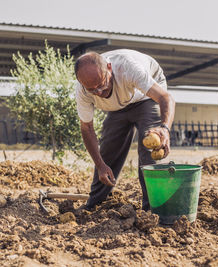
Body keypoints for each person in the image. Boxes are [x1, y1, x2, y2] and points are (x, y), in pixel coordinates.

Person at [74, 49, 175, 211]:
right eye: (92, 90)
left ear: (109, 67)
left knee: (150, 149)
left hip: (146, 97)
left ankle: (153, 210)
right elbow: (87, 128)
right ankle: (95, 205)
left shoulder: (128, 68)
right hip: (119, 105)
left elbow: (165, 98)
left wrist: (164, 128)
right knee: (107, 152)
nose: (98, 93)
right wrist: (100, 165)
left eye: (101, 84)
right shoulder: (82, 90)